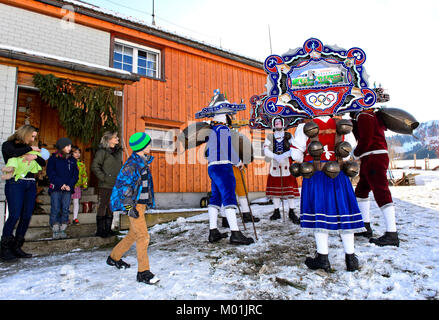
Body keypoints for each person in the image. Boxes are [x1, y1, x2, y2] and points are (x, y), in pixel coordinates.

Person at [291, 116, 365, 272]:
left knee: (320, 214)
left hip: (315, 174)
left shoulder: (303, 126)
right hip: (339, 173)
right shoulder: (342, 123)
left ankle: (323, 258)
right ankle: (351, 258)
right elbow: (349, 150)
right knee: (344, 213)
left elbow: (296, 154)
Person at [196, 90, 254, 245]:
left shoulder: (212, 130)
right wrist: (238, 162)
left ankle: (213, 231)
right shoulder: (223, 129)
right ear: (225, 114)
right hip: (223, 167)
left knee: (216, 198)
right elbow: (228, 149)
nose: (231, 117)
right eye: (230, 114)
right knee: (229, 197)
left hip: (213, 167)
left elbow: (208, 152)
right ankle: (235, 233)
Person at [107, 132, 159, 285]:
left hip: (140, 206)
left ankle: (113, 258)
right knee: (143, 236)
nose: (150, 146)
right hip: (133, 206)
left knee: (133, 235)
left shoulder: (142, 162)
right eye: (148, 144)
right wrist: (129, 207)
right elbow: (124, 188)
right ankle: (143, 272)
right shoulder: (132, 165)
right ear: (142, 147)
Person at [351, 109, 399, 247]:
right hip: (372, 156)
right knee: (361, 191)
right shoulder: (371, 115)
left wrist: (355, 153)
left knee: (381, 192)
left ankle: (392, 233)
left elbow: (366, 139)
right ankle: (365, 226)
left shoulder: (364, 116)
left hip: (373, 156)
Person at [1, 125, 46, 261]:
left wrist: (33, 156)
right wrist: (30, 149)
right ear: (24, 134)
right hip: (16, 183)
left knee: (26, 216)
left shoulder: (30, 149)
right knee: (14, 215)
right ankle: (4, 249)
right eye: (31, 136)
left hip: (30, 184)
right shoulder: (8, 145)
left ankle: (16, 246)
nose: (33, 139)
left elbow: (42, 162)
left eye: (34, 137)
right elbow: (13, 153)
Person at [263, 117, 300, 223]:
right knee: (276, 190)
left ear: (283, 124)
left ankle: (291, 211)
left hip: (287, 164)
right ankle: (276, 211)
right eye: (276, 122)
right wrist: (275, 156)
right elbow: (265, 149)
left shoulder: (289, 136)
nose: (278, 124)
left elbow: (293, 148)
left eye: (279, 122)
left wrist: (284, 155)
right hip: (274, 164)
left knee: (289, 189)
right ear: (274, 125)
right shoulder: (270, 137)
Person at [91, 131, 123, 238]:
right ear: (109, 140)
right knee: (103, 205)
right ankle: (100, 230)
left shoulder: (118, 152)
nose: (117, 139)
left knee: (111, 206)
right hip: (105, 184)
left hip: (116, 185)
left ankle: (109, 229)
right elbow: (95, 166)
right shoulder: (102, 152)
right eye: (115, 137)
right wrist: (104, 178)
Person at [46, 138, 79, 239]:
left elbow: (75, 174)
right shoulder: (53, 159)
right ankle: (55, 228)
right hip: (56, 187)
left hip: (68, 189)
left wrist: (70, 184)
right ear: (62, 147)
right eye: (67, 146)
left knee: (65, 208)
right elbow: (51, 173)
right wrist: (61, 184)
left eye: (70, 146)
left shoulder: (72, 160)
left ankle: (63, 227)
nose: (70, 148)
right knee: (55, 207)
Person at [70, 146, 88, 225]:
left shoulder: (81, 165)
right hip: (68, 185)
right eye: (75, 152)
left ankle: (75, 218)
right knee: (66, 202)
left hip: (77, 186)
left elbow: (84, 175)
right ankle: (65, 218)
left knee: (76, 202)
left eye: (79, 153)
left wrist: (84, 184)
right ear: (71, 153)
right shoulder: (68, 163)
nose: (77, 154)